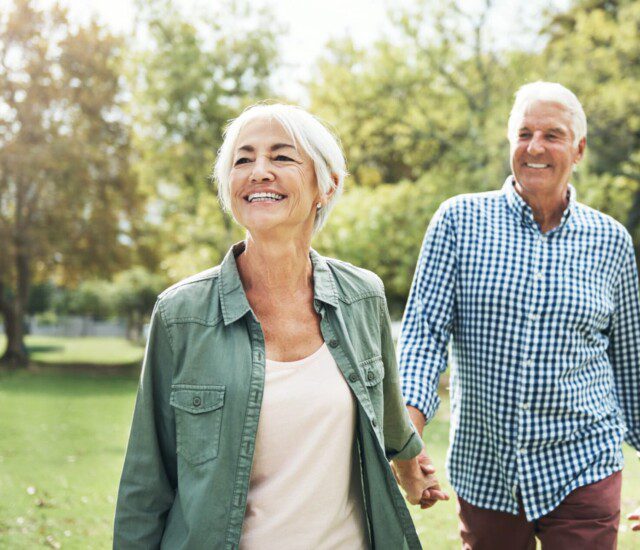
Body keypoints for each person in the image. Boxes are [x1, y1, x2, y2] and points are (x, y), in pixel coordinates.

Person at [113, 103, 445, 550]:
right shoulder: (181, 314)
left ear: (326, 185)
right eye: (243, 159)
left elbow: (387, 415)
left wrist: (409, 465)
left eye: (282, 157)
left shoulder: (363, 296)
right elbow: (145, 481)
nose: (259, 171)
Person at [398, 81, 640, 549]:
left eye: (552, 135)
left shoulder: (611, 241)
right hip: (486, 466)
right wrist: (409, 439)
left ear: (579, 148)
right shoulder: (458, 221)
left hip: (584, 463)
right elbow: (423, 336)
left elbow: (632, 366)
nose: (535, 147)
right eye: (524, 133)